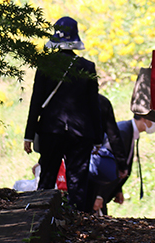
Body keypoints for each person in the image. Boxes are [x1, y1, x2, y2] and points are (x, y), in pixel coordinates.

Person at [23, 16, 102, 212]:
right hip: (81, 133)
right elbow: (94, 105)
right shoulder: (87, 67)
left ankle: (40, 218)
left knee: (47, 178)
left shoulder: (45, 65)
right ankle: (78, 221)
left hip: (51, 130)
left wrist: (29, 135)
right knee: (77, 181)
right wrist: (98, 138)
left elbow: (36, 102)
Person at [88, 112, 155, 215]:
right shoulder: (122, 131)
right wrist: (98, 195)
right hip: (98, 190)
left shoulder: (129, 132)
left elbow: (120, 163)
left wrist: (117, 189)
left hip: (105, 190)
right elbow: (103, 163)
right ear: (144, 118)